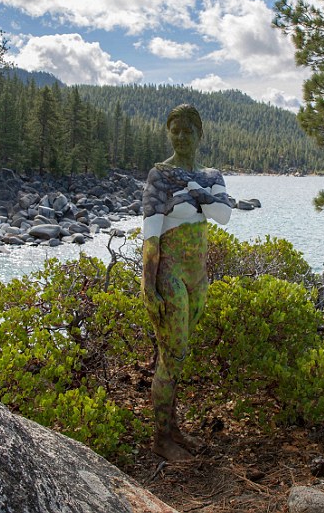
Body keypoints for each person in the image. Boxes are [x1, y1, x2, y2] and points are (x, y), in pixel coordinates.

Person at [141, 104, 232, 461]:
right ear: (169, 132)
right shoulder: (159, 175)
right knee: (171, 355)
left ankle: (173, 428)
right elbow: (151, 233)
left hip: (199, 277)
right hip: (170, 275)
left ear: (200, 134)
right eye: (175, 130)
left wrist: (193, 189)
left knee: (178, 355)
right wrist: (148, 285)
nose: (181, 137)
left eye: (188, 130)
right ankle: (161, 439)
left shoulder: (212, 174)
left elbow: (222, 216)